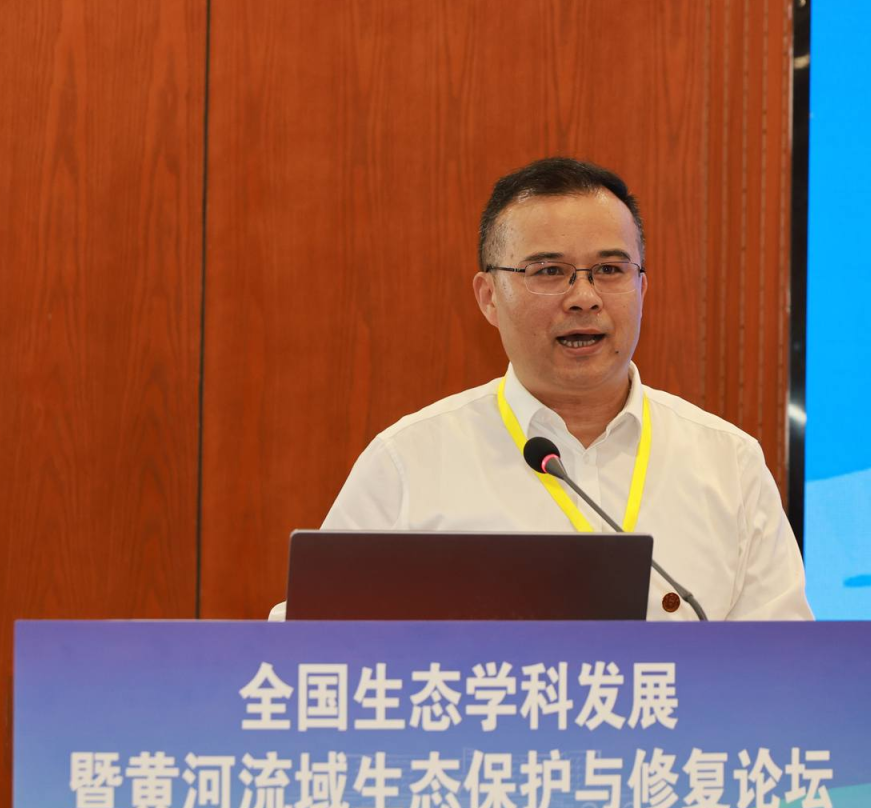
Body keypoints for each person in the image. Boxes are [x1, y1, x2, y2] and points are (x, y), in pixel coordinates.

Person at [270, 156, 811, 621]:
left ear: (642, 288)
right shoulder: (409, 461)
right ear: (489, 296)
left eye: (610, 269)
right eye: (549, 271)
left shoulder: (728, 463)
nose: (584, 297)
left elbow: (787, 668)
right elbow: (308, 650)